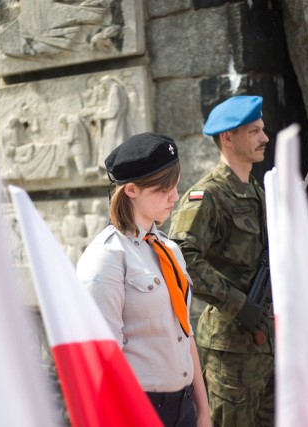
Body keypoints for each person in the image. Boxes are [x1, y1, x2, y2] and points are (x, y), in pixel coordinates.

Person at [77, 133, 210, 427]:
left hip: (185, 407)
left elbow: (185, 335)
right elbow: (102, 361)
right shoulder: (106, 258)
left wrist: (203, 411)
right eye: (164, 189)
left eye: (175, 186)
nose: (175, 197)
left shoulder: (170, 249)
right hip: (138, 411)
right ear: (132, 190)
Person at [168, 96, 274, 427]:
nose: (264, 138)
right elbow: (182, 256)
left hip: (265, 343)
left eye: (263, 129)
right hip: (230, 349)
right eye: (254, 131)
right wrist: (238, 304)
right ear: (228, 137)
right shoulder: (207, 196)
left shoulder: (257, 191)